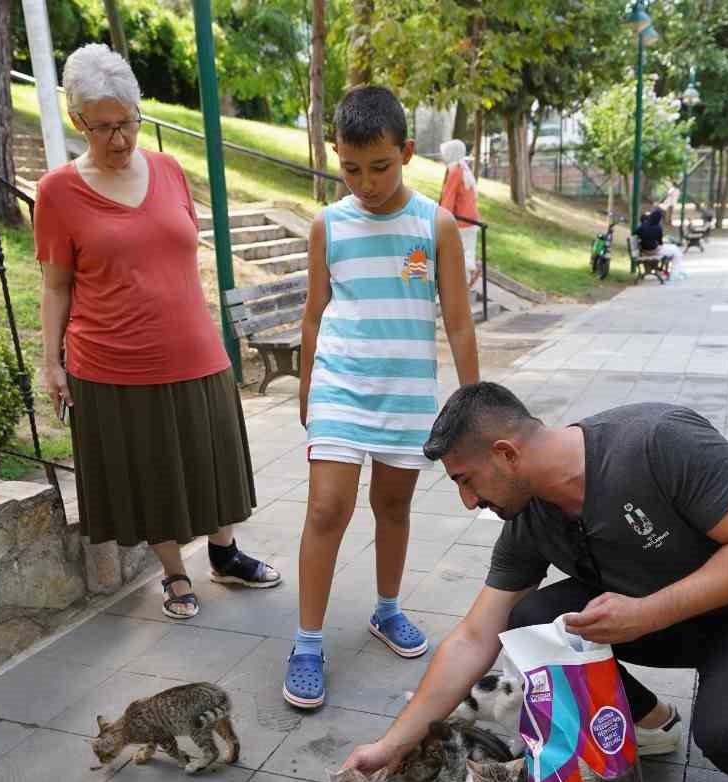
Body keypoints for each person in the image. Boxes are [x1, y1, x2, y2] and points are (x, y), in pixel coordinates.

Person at [341, 383, 728, 782]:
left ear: (506, 453)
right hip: (665, 613)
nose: (468, 502)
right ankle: (653, 722)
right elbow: (475, 636)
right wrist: (391, 745)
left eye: (465, 480)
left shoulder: (658, 439)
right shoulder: (530, 518)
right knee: (532, 618)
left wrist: (646, 613)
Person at [34, 44, 280, 621]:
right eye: (103, 128)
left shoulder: (169, 170)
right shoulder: (58, 193)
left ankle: (224, 554)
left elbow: (178, 252)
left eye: (128, 123)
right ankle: (173, 572)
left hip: (193, 346)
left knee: (209, 460)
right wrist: (52, 361)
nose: (119, 139)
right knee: (151, 473)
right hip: (111, 359)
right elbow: (55, 286)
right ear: (77, 122)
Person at [284, 86, 481, 710]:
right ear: (335, 156)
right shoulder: (328, 225)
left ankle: (387, 610)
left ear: (406, 153)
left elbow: (457, 322)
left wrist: (472, 406)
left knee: (393, 507)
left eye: (379, 167)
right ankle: (307, 642)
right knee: (327, 508)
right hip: (343, 383)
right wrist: (307, 384)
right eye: (349, 168)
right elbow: (314, 314)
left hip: (406, 392)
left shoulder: (434, 224)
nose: (365, 183)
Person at [437, 138, 481, 287]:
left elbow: (448, 198)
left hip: (462, 221)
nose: (443, 157)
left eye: (445, 153)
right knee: (467, 250)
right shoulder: (464, 169)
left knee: (457, 252)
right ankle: (469, 276)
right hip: (471, 219)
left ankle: (464, 282)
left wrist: (440, 218)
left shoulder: (454, 171)